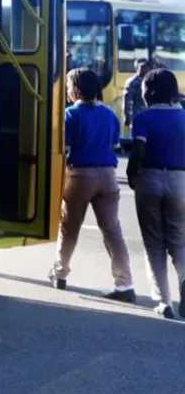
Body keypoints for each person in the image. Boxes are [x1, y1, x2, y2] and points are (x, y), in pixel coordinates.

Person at [52, 68, 136, 301]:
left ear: (76, 89)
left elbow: (65, 150)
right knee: (112, 231)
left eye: (69, 86)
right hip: (108, 175)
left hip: (80, 175)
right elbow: (114, 146)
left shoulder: (71, 115)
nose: (67, 90)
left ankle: (60, 273)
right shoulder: (110, 115)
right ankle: (124, 283)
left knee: (69, 228)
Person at [127, 68, 185, 319]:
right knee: (179, 239)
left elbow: (138, 152)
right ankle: (184, 276)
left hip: (149, 179)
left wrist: (132, 175)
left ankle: (164, 303)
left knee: (154, 243)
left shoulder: (144, 118)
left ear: (148, 93)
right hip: (180, 179)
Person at [123, 57, 152, 130]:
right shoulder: (132, 82)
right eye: (142, 66)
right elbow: (127, 101)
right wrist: (127, 117)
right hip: (137, 116)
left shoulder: (151, 80)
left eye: (147, 66)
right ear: (137, 68)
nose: (145, 68)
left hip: (150, 116)